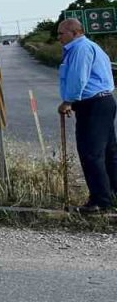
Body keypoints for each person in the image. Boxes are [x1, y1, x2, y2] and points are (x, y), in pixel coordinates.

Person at [56, 18, 117, 213]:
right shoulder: (91, 46)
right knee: (108, 153)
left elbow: (78, 78)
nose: (58, 38)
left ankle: (100, 201)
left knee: (91, 154)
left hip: (93, 104)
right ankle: (112, 194)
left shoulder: (80, 49)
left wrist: (68, 101)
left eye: (61, 33)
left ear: (75, 32)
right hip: (103, 102)